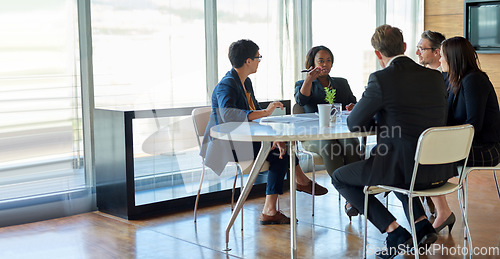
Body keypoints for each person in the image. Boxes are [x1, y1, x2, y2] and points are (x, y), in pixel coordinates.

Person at [331, 25, 455, 258]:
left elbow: (354, 124)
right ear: (405, 47)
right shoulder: (434, 77)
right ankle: (420, 224)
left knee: (340, 178)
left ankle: (394, 232)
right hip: (437, 169)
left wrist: (375, 117)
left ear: (378, 54)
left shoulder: (380, 79)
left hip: (406, 170)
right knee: (393, 163)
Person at [200, 39, 328, 225]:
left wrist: (273, 137)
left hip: (243, 140)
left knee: (281, 148)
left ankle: (274, 205)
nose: (260, 60)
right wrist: (266, 112)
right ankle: (294, 187)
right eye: (258, 57)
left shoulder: (246, 82)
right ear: (248, 61)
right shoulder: (226, 85)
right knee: (280, 152)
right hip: (226, 145)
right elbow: (228, 114)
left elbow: (254, 118)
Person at [430, 36, 500, 233]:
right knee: (422, 153)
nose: (440, 60)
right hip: (468, 144)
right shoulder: (455, 80)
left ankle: (441, 211)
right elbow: (449, 119)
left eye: (442, 56)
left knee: (427, 157)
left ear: (454, 59)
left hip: (486, 148)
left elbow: (473, 126)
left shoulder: (474, 80)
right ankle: (440, 210)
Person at [294, 45, 361, 219]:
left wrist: (353, 107)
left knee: (351, 143)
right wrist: (309, 79)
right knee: (329, 145)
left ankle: (354, 194)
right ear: (312, 63)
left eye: (328, 60)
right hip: (313, 136)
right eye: (321, 60)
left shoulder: (341, 83)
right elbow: (301, 101)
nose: (325, 64)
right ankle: (351, 197)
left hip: (340, 132)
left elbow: (354, 103)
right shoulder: (302, 84)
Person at [416, 30, 446, 216]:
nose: (417, 52)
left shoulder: (445, 79)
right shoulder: (419, 76)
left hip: (438, 139)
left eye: (422, 48)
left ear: (437, 52)